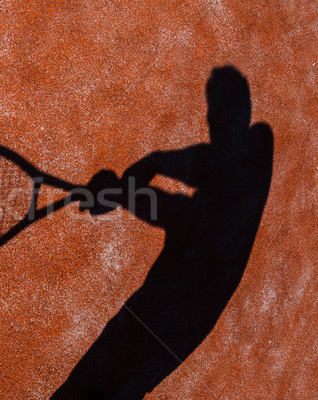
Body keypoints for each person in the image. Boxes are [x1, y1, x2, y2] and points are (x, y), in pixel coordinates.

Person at [52, 66, 274, 399]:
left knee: (99, 381)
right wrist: (149, 167)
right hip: (180, 314)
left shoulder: (250, 158)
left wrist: (122, 193)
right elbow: (207, 164)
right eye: (213, 111)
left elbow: (184, 216)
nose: (214, 121)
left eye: (218, 110)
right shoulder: (253, 153)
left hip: (171, 314)